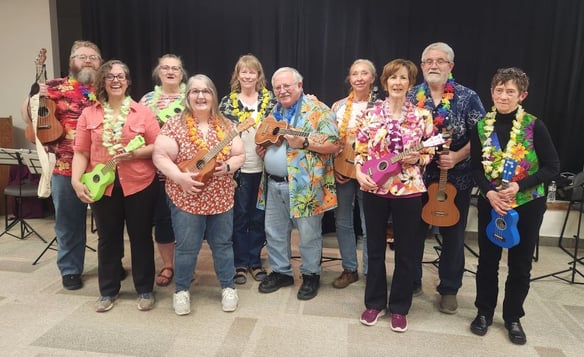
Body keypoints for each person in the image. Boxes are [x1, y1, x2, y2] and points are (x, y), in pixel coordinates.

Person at [469, 67, 560, 345]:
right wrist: (490, 194)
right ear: (491, 92)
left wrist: (520, 186)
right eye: (499, 90)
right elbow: (475, 168)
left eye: (510, 91)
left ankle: (512, 317)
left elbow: (552, 167)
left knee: (520, 265)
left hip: (526, 203)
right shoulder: (482, 126)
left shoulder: (534, 126)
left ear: (522, 95)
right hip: (493, 203)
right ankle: (483, 312)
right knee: (487, 261)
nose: (504, 96)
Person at [71, 60, 160, 312]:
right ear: (103, 81)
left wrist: (135, 154)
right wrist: (76, 181)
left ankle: (144, 289)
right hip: (103, 186)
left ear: (128, 81)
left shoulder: (142, 112)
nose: (116, 80)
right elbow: (80, 152)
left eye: (121, 76)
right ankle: (107, 291)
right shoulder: (89, 114)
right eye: (110, 76)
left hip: (140, 183)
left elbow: (157, 145)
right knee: (108, 239)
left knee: (141, 237)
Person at [153, 74, 245, 315]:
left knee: (223, 245)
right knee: (186, 247)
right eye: (195, 91)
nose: (201, 96)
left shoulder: (226, 124)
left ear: (213, 95)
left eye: (206, 91)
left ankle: (228, 287)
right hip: (186, 196)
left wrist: (226, 167)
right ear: (188, 96)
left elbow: (239, 155)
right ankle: (181, 290)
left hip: (220, 197)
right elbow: (160, 156)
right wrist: (179, 177)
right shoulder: (175, 124)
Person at [355, 59, 433, 332]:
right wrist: (358, 171)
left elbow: (430, 150)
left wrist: (419, 157)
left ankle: (400, 307)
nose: (398, 83)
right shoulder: (370, 113)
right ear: (384, 82)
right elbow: (360, 148)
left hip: (409, 188)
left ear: (410, 83)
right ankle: (375, 303)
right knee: (374, 247)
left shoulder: (422, 116)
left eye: (403, 78)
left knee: (406, 251)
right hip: (374, 187)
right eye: (393, 78)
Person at [407, 42, 486, 314]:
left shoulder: (467, 97)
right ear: (422, 66)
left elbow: (483, 136)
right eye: (428, 61)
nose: (433, 65)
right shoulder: (410, 96)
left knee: (453, 235)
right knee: (413, 233)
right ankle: (412, 280)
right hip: (416, 177)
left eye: (440, 61)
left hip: (457, 179)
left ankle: (449, 289)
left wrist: (458, 156)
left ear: (450, 66)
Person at [20, 41, 102, 290]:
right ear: (71, 61)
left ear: (100, 62)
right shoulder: (54, 86)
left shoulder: (108, 86)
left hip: (103, 167)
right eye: (82, 56)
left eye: (93, 57)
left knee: (109, 223)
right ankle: (70, 269)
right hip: (65, 167)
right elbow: (28, 116)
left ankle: (111, 264)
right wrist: (35, 95)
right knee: (68, 223)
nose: (88, 60)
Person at [256, 67, 339, 300]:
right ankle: (282, 272)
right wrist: (263, 148)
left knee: (309, 234)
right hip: (273, 183)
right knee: (273, 232)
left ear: (300, 86)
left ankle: (311, 274)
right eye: (278, 87)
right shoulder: (274, 111)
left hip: (305, 186)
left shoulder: (318, 110)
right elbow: (269, 138)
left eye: (287, 86)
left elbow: (334, 143)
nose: (282, 91)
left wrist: (303, 143)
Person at [219, 54, 276, 285]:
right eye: (244, 71)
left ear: (258, 75)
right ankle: (239, 262)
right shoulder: (226, 102)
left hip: (264, 169)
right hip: (239, 169)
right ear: (237, 75)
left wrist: (269, 145)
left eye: (252, 71)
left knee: (259, 216)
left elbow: (279, 131)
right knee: (240, 216)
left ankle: (255, 261)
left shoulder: (271, 101)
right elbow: (219, 136)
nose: (248, 75)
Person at [140, 54, 188, 287]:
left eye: (175, 68)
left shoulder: (192, 96)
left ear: (182, 73)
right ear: (158, 72)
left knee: (187, 221)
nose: (170, 72)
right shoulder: (147, 99)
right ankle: (168, 265)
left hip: (187, 170)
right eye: (165, 68)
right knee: (162, 220)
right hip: (156, 172)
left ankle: (187, 264)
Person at [330, 59, 376, 288]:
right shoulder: (338, 107)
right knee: (343, 221)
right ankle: (349, 268)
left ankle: (371, 271)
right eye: (354, 73)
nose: (358, 78)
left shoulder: (380, 106)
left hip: (370, 172)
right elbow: (330, 140)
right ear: (349, 78)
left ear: (372, 79)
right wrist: (334, 165)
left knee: (370, 224)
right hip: (343, 171)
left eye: (364, 73)